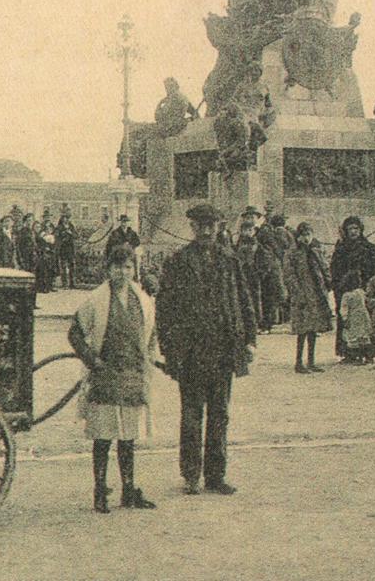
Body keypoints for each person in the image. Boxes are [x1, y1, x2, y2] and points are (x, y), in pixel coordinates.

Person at [156, 203, 256, 495]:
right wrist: (170, 352)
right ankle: (191, 475)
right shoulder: (178, 262)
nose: (206, 231)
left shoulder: (230, 260)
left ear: (219, 226)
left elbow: (244, 301)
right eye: (200, 225)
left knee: (220, 413)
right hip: (191, 353)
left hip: (224, 350)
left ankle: (216, 475)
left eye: (211, 225)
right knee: (191, 415)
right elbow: (165, 310)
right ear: (192, 228)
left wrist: (250, 340)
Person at [67, 244, 160, 513]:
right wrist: (92, 360)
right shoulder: (96, 300)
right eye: (117, 267)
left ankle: (128, 491)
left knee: (128, 437)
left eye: (128, 267)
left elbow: (151, 334)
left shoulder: (142, 300)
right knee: (103, 437)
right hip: (105, 375)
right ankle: (99, 492)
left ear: (134, 269)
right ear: (108, 269)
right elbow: (75, 333)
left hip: (132, 376)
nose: (122, 272)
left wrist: (149, 360)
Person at [283, 221, 333, 373]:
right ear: (298, 237)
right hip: (302, 296)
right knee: (302, 330)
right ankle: (298, 362)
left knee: (313, 330)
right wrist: (297, 293)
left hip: (316, 295)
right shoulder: (292, 253)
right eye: (303, 235)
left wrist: (327, 285)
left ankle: (311, 361)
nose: (306, 238)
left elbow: (324, 269)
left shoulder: (315, 251)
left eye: (308, 235)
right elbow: (289, 275)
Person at [329, 216, 375, 361]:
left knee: (365, 320)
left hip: (363, 288)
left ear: (361, 230)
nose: (353, 232)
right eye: (350, 229)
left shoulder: (368, 248)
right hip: (345, 290)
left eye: (356, 228)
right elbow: (335, 269)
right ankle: (349, 353)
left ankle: (367, 353)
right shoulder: (341, 248)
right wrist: (341, 284)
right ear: (346, 231)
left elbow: (373, 268)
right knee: (346, 320)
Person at [254, 213, 290, 329]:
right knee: (274, 295)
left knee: (270, 296)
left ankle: (270, 322)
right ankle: (276, 320)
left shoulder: (266, 234)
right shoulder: (273, 234)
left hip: (271, 268)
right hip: (276, 267)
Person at [234, 208, 264, 330]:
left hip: (253, 272)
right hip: (243, 272)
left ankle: (256, 322)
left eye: (252, 217)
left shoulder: (258, 238)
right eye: (248, 217)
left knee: (255, 297)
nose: (248, 232)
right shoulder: (240, 240)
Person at [339, 273, 374, 361]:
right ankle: (367, 356)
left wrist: (345, 318)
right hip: (363, 316)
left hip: (353, 317)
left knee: (355, 337)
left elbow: (344, 308)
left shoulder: (346, 295)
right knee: (363, 336)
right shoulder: (361, 292)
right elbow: (367, 301)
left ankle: (358, 357)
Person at [56, 211, 78, 289]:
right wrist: (63, 235)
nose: (66, 219)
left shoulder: (71, 226)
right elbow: (57, 237)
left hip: (71, 249)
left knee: (72, 266)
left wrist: (70, 233)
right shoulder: (59, 227)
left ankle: (72, 283)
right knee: (64, 266)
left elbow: (76, 235)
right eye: (64, 218)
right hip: (63, 249)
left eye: (67, 218)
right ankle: (64, 283)